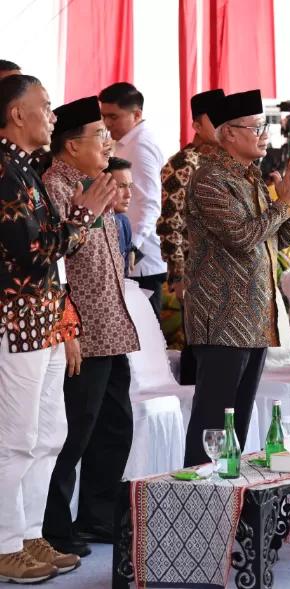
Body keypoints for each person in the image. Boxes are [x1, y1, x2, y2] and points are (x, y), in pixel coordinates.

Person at [0, 74, 116, 582]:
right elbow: (30, 258)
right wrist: (82, 218)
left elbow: (52, 259)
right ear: (16, 114)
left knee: (50, 435)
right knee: (15, 439)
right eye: (44, 107)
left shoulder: (25, 168)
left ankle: (30, 536)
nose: (52, 115)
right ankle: (4, 544)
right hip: (18, 321)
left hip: (45, 321)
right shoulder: (3, 168)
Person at [182, 90, 290, 466]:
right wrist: (283, 203)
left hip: (254, 317)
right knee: (214, 422)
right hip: (222, 320)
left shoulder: (251, 177)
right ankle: (197, 503)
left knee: (235, 423)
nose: (264, 133)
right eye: (256, 127)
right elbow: (242, 236)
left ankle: (228, 502)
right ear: (229, 133)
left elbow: (281, 237)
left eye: (264, 126)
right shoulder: (210, 179)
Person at [41, 96, 139, 557]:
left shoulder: (92, 182)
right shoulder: (53, 188)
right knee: (71, 433)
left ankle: (97, 517)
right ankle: (52, 529)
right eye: (99, 135)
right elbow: (52, 267)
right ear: (71, 144)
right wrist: (69, 329)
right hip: (81, 334)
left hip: (111, 330)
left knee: (114, 427)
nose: (109, 142)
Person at [157, 89, 225, 385]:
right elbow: (170, 223)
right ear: (196, 125)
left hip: (227, 272)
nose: (224, 127)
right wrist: (179, 275)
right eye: (216, 121)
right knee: (200, 349)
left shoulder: (228, 162)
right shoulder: (184, 163)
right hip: (196, 274)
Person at [99, 82, 167, 320]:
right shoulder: (125, 142)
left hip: (140, 259)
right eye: (104, 116)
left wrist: (132, 246)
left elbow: (151, 204)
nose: (107, 123)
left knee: (146, 343)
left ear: (137, 114)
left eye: (114, 116)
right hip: (128, 253)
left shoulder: (141, 145)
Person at [107, 157, 136, 276]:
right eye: (121, 186)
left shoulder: (123, 222)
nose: (128, 194)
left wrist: (132, 250)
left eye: (129, 186)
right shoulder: (92, 224)